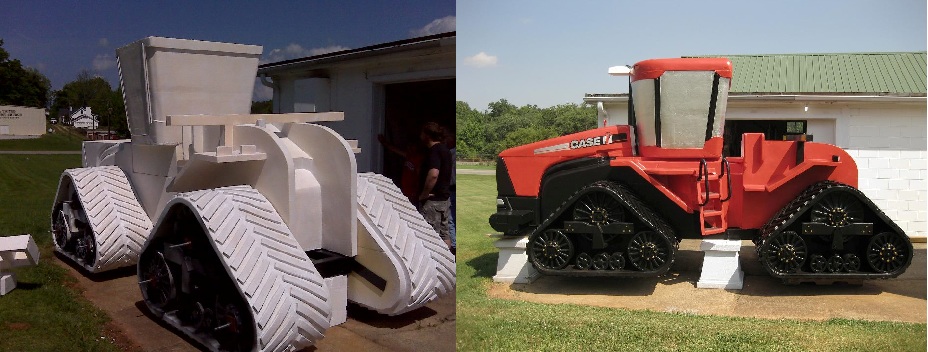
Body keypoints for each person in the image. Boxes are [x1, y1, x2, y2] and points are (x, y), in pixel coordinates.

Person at [418, 122, 453, 251]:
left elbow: (433, 174)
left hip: (433, 201)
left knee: (430, 235)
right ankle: (447, 261)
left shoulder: (434, 151)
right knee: (445, 234)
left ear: (427, 135)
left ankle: (434, 264)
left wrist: (424, 193)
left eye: (422, 133)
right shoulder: (445, 150)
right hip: (444, 200)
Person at [377, 133, 424, 207]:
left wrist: (416, 191)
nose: (410, 148)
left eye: (412, 146)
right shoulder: (408, 156)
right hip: (405, 188)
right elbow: (395, 150)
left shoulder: (419, 159)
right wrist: (384, 142)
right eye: (409, 146)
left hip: (413, 191)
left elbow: (419, 176)